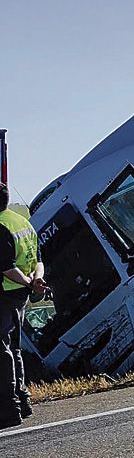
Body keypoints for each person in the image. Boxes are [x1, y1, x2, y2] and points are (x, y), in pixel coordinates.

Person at [0, 183, 42, 428]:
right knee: (14, 346)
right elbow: (38, 259)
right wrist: (35, 281)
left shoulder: (1, 226)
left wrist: (27, 281)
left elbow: (6, 267)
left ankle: (8, 406)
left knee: (1, 349)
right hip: (20, 296)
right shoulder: (22, 222)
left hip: (5, 293)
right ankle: (23, 398)